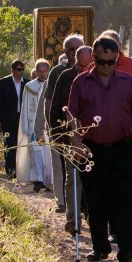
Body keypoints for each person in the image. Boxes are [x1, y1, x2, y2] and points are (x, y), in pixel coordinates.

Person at [69, 38, 132, 262]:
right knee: (96, 200)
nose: (106, 66)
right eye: (101, 61)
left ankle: (127, 251)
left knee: (124, 199)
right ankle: (100, 247)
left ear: (117, 58)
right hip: (91, 150)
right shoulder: (81, 82)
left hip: (123, 147)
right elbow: (73, 116)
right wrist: (76, 142)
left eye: (110, 62)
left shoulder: (128, 82)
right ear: (93, 57)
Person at [47, 34, 84, 230]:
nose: (75, 53)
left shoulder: (96, 74)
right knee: (72, 178)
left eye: (79, 48)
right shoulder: (63, 75)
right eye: (71, 49)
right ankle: (73, 218)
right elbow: (53, 107)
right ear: (67, 52)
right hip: (69, 136)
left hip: (93, 135)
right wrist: (56, 133)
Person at [17, 60, 53, 192]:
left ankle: (48, 180)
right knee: (37, 153)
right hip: (33, 125)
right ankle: (39, 180)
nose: (43, 74)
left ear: (48, 71)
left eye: (45, 71)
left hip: (48, 125)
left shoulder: (52, 84)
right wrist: (26, 126)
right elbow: (25, 107)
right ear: (36, 72)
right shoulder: (29, 86)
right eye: (40, 71)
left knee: (48, 155)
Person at [0, 60, 29, 178]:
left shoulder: (27, 83)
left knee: (22, 145)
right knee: (10, 145)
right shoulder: (4, 82)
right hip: (8, 119)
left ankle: (21, 170)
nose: (21, 72)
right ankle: (10, 171)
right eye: (18, 69)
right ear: (13, 70)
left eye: (22, 69)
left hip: (22, 119)